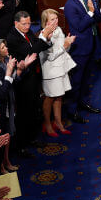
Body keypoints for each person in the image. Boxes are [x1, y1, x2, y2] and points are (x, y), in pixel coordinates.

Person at [4, 11, 51, 152]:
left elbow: (37, 45)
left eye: (29, 23)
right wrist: (43, 36)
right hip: (22, 80)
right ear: (16, 23)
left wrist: (45, 38)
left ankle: (32, 138)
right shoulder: (12, 38)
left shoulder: (27, 31)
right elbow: (30, 52)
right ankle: (22, 144)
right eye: (24, 24)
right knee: (25, 112)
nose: (27, 26)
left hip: (33, 76)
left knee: (34, 107)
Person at [36, 9, 75, 138]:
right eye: (52, 19)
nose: (55, 21)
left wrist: (67, 43)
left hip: (61, 68)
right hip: (51, 72)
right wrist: (64, 45)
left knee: (59, 96)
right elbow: (51, 56)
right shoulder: (44, 35)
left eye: (56, 18)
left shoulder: (58, 30)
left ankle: (58, 122)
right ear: (45, 22)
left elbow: (64, 49)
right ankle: (47, 123)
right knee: (50, 97)